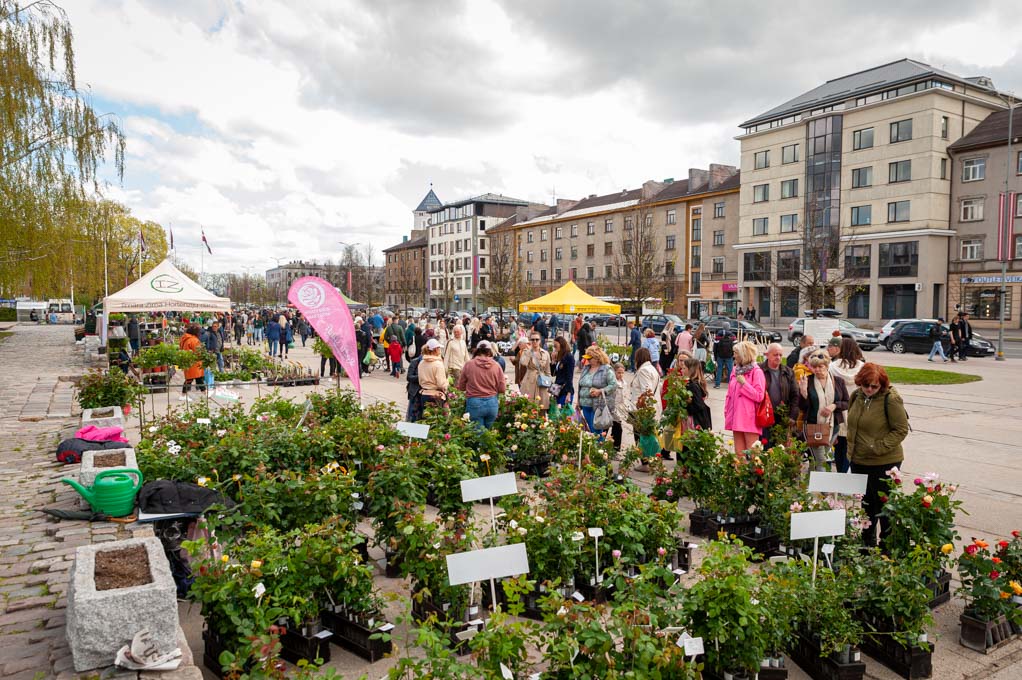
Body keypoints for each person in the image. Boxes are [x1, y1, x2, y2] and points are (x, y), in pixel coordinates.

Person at [846, 363, 910, 548]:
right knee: (867, 504)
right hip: (859, 460)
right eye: (865, 385)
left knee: (884, 506)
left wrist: (878, 447)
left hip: (885, 461)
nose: (869, 389)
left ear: (881, 384)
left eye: (874, 386)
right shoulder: (856, 396)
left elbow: (901, 430)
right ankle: (867, 542)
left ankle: (887, 545)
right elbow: (852, 425)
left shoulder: (891, 399)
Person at [798, 351, 849, 472]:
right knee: (821, 459)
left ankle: (810, 483)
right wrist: (804, 393)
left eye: (820, 366)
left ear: (827, 366)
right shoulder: (808, 381)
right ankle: (824, 489)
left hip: (833, 426)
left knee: (819, 458)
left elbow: (847, 402)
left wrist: (834, 406)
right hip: (813, 426)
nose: (817, 370)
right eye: (814, 367)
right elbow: (803, 407)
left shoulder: (838, 381)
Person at [829, 337, 865, 472]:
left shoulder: (832, 367)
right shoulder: (862, 367)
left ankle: (841, 473)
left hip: (839, 410)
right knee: (854, 446)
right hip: (857, 410)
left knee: (840, 446)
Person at [723, 340, 766, 453]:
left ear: (744, 354)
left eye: (736, 353)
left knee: (753, 454)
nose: (734, 355)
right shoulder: (735, 370)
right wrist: (727, 410)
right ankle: (739, 471)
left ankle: (754, 471)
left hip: (750, 419)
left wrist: (744, 384)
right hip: (736, 417)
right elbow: (730, 394)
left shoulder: (757, 372)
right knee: (739, 454)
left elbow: (759, 396)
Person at [457, 341, 507, 429]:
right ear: (489, 351)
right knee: (489, 434)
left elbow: (461, 387)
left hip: (474, 402)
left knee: (478, 434)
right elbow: (502, 389)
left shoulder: (469, 365)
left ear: (477, 350)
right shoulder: (496, 366)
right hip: (492, 403)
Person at [759, 343, 798, 446]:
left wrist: (793, 416)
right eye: (775, 355)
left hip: (782, 417)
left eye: (780, 355)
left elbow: (795, 395)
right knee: (765, 446)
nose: (778, 357)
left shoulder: (788, 372)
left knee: (780, 448)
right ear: (767, 355)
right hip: (764, 416)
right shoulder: (759, 371)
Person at [577, 346, 616, 437]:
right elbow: (580, 385)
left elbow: (613, 385)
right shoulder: (586, 368)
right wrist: (578, 401)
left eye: (590, 358)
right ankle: (593, 449)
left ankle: (599, 449)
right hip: (585, 404)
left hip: (598, 405)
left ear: (597, 358)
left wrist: (600, 391)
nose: (588, 360)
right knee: (590, 430)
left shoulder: (606, 369)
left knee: (596, 431)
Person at [519, 331, 553, 408]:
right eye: (532, 339)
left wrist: (550, 385)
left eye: (537, 339)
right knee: (528, 407)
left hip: (542, 382)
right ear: (530, 341)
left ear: (540, 340)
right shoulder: (526, 352)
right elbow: (523, 363)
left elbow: (548, 371)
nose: (534, 341)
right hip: (529, 381)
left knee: (542, 406)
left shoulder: (545, 353)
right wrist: (529, 352)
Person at [417, 339, 448, 417]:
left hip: (424, 394)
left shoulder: (421, 363)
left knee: (426, 420)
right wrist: (447, 382)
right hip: (436, 395)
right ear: (435, 350)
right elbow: (441, 384)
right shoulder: (438, 364)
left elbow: (420, 381)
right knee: (436, 421)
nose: (440, 350)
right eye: (439, 348)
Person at [683, 357, 712, 430]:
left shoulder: (692, 385)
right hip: (701, 418)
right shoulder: (697, 383)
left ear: (690, 370)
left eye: (684, 368)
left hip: (695, 420)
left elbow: (698, 405)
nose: (682, 370)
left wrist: (687, 403)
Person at [178, 324, 204, 399]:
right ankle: (183, 395)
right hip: (194, 362)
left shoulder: (185, 338)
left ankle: (205, 392)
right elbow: (198, 351)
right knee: (191, 379)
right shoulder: (194, 340)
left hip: (188, 361)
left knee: (195, 378)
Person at [551, 336, 575, 410]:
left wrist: (569, 393)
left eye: (556, 346)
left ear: (561, 344)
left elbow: (569, 376)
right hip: (557, 390)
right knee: (555, 415)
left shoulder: (569, 357)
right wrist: (553, 361)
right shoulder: (559, 357)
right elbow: (553, 374)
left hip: (565, 390)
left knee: (563, 416)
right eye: (554, 346)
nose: (555, 348)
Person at [610, 363, 629, 451]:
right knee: (607, 427)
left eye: (622, 373)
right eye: (618, 373)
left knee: (617, 429)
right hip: (611, 409)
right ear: (614, 372)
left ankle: (615, 448)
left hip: (619, 410)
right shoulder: (612, 382)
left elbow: (625, 396)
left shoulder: (624, 383)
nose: (620, 375)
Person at [713, 322, 736, 389]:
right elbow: (735, 347)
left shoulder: (718, 335)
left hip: (720, 355)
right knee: (730, 370)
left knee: (719, 369)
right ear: (729, 327)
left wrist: (715, 356)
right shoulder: (732, 336)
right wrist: (734, 356)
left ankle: (717, 384)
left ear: (722, 327)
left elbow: (715, 347)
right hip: (729, 356)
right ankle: (730, 385)